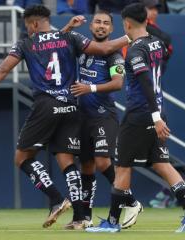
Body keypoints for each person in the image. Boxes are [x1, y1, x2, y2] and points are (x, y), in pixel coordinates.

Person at [0, 4, 130, 230]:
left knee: (22, 158)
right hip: (72, 107)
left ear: (33, 24)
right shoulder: (69, 37)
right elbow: (102, 48)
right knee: (66, 160)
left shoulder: (26, 43)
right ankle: (81, 217)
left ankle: (55, 198)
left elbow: (3, 69)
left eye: (27, 26)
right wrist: (131, 36)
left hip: (46, 105)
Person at [86, 3, 185, 233]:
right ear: (147, 21)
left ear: (127, 23)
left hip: (140, 114)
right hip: (157, 110)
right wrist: (158, 115)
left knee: (122, 167)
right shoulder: (156, 43)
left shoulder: (137, 50)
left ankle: (112, 222)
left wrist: (155, 117)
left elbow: (146, 82)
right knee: (162, 164)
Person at [67, 10, 125, 227]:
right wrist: (70, 27)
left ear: (111, 29)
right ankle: (85, 217)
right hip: (81, 118)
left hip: (103, 116)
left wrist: (89, 88)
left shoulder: (114, 55)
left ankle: (129, 200)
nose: (101, 26)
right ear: (91, 27)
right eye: (98, 22)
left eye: (106, 23)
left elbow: (118, 83)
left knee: (102, 162)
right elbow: (59, 41)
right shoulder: (81, 48)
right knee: (87, 167)